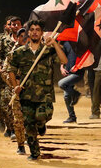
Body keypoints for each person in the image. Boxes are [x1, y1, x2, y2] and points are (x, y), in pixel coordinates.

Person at [8, 20, 67, 160]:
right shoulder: (19, 53)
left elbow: (64, 61)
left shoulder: (49, 51)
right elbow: (11, 69)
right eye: (32, 29)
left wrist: (54, 44)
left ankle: (41, 125)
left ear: (41, 33)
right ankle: (35, 153)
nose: (34, 31)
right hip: (26, 95)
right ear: (28, 32)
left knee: (43, 116)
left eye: (38, 29)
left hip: (44, 95)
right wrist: (14, 86)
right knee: (29, 124)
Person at [0, 16, 21, 136]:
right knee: (5, 102)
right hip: (4, 76)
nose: (12, 26)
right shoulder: (0, 39)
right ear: (6, 26)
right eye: (10, 24)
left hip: (19, 76)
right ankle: (8, 125)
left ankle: (15, 127)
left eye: (16, 24)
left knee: (17, 102)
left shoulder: (23, 38)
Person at [3, 27, 29, 154]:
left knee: (31, 119)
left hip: (31, 91)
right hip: (16, 91)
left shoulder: (34, 53)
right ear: (17, 38)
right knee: (18, 120)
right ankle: (20, 145)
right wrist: (14, 85)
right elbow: (5, 72)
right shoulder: (13, 54)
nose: (24, 39)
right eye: (22, 37)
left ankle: (30, 138)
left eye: (26, 37)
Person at [58, 41, 84, 123]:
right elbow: (62, 58)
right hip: (68, 72)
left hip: (77, 72)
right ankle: (72, 117)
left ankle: (76, 94)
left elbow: (86, 58)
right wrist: (62, 67)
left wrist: (78, 66)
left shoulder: (81, 43)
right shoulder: (66, 43)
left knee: (61, 84)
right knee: (66, 96)